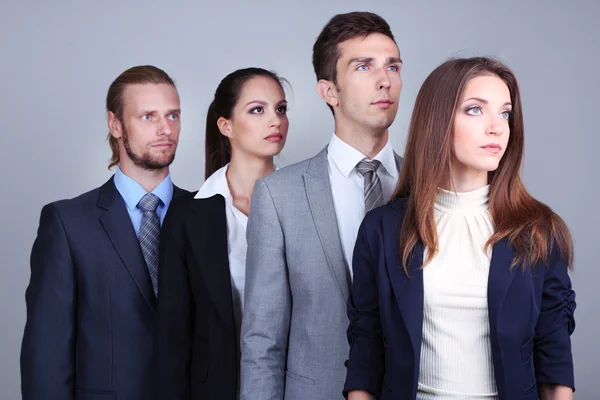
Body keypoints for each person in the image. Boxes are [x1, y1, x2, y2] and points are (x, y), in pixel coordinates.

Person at [344, 56, 576, 400]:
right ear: (437, 120)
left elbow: (554, 354)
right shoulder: (382, 229)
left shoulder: (538, 231)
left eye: (505, 113)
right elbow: (366, 347)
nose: (497, 127)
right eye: (475, 109)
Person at [240, 12, 403, 400]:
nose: (385, 80)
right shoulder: (280, 195)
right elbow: (262, 342)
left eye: (393, 66)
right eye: (364, 66)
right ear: (329, 91)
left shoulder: (431, 186)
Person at [20, 65, 189, 400]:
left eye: (173, 115)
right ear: (115, 125)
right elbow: (47, 355)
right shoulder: (68, 223)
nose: (164, 129)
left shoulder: (206, 214)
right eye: (147, 117)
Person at [153, 67, 289, 400]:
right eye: (257, 110)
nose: (276, 121)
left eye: (281, 109)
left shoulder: (305, 204)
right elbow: (173, 338)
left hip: (293, 386)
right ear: (225, 125)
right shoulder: (188, 216)